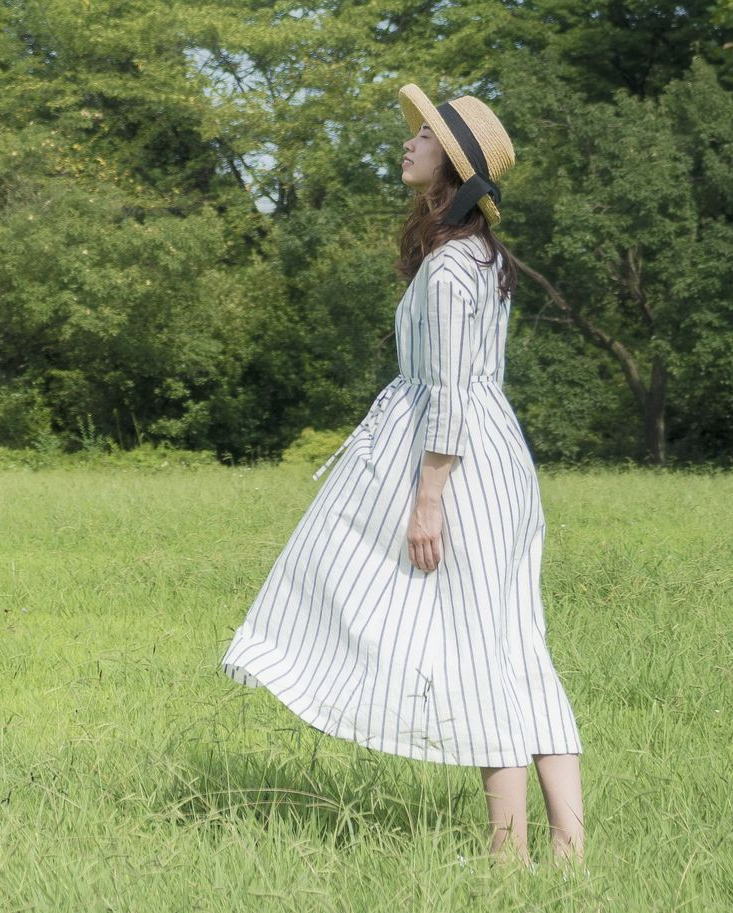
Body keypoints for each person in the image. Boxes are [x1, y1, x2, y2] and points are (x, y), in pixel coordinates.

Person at [222, 86, 586, 864]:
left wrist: (429, 498)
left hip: (462, 466)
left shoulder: (452, 265)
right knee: (517, 645)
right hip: (498, 461)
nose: (408, 143)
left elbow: (449, 390)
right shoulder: (478, 256)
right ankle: (568, 848)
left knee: (481, 650)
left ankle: (509, 856)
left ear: (451, 162)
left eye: (423, 136)